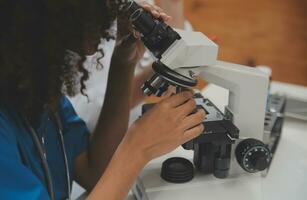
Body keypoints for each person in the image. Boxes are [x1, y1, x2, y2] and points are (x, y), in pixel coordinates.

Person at [0, 1, 206, 200]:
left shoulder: (34, 86)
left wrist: (124, 60)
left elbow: (94, 171)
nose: (111, 12)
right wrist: (137, 147)